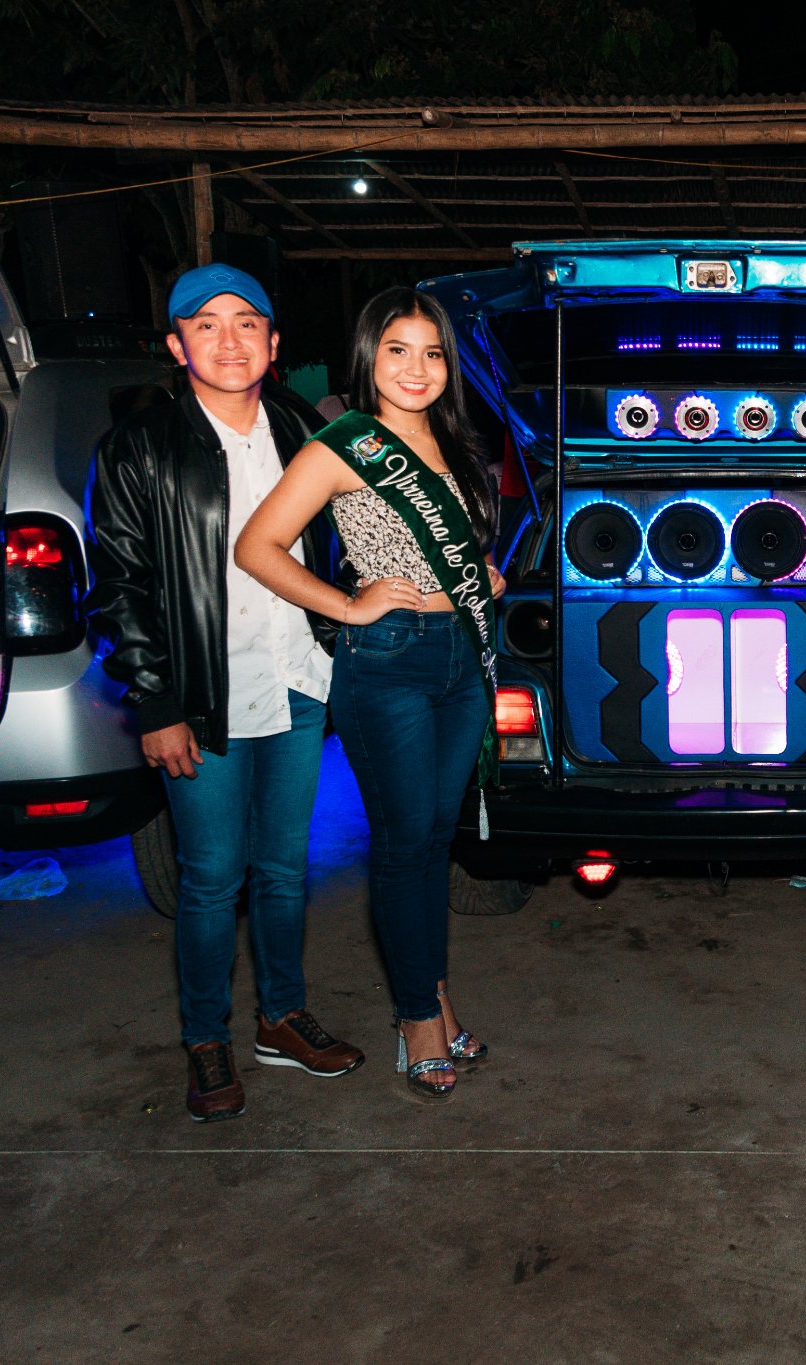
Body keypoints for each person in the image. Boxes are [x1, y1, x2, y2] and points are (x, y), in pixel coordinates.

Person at [87, 263, 364, 1123]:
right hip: (202, 694)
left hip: (298, 679)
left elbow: (352, 541)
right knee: (211, 877)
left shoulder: (309, 433)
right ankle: (206, 1038)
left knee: (284, 867)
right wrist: (155, 701)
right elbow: (118, 585)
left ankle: (281, 1016)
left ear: (274, 343)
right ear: (177, 346)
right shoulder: (138, 446)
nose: (229, 339)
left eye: (247, 322)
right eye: (205, 324)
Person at [236, 287, 504, 1103]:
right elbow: (258, 545)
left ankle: (434, 995)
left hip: (460, 658)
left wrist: (482, 578)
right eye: (398, 350)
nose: (417, 368)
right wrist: (348, 604)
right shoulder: (344, 445)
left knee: (433, 841)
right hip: (387, 663)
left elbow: (453, 553)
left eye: (432, 352)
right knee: (402, 842)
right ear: (369, 356)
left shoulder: (455, 441)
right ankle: (417, 1019)